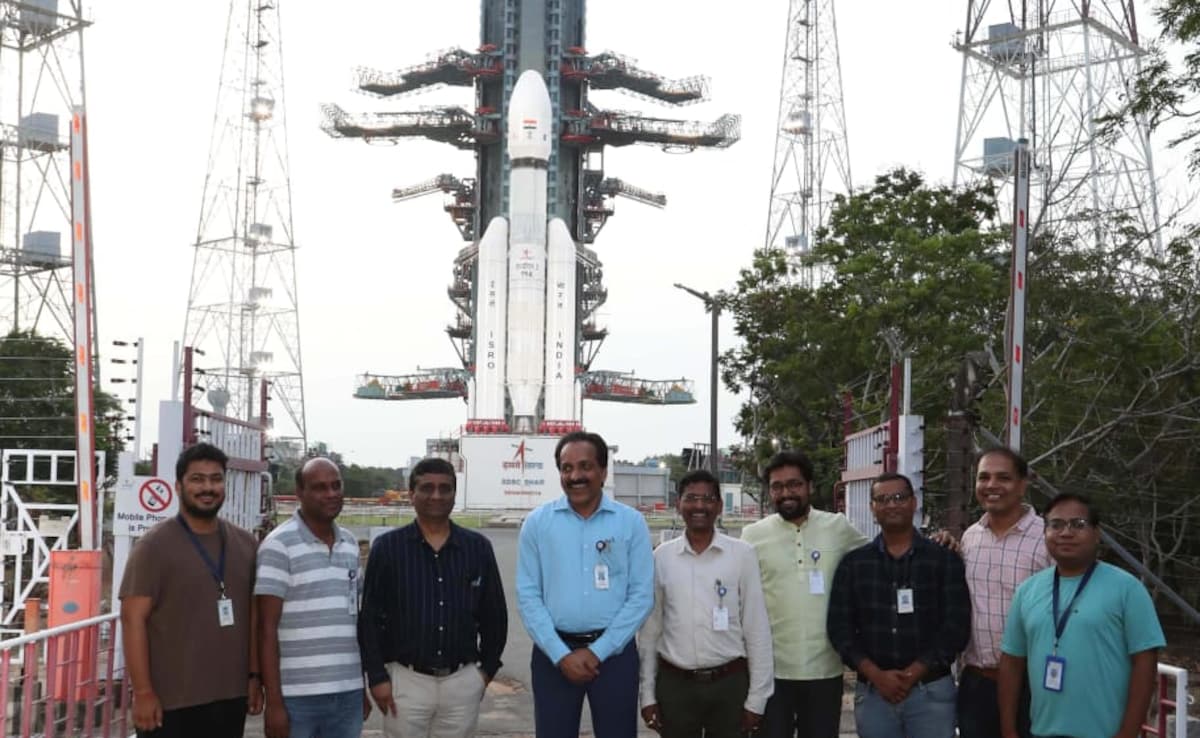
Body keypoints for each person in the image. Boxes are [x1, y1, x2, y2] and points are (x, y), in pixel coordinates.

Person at [516, 431, 655, 738]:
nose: (576, 476)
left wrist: (598, 651)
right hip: (554, 655)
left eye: (585, 466)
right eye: (567, 468)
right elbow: (528, 595)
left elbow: (642, 596)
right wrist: (560, 654)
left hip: (614, 657)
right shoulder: (538, 524)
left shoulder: (630, 523)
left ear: (603, 471)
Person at [119, 442, 262, 738]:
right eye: (197, 479)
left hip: (229, 699)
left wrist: (253, 676)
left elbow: (254, 619)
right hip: (172, 703)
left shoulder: (246, 545)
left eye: (216, 479)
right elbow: (133, 620)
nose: (207, 487)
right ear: (178, 486)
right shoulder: (153, 547)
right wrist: (142, 692)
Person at [358, 457, 507, 738]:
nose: (436, 495)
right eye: (427, 488)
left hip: (462, 682)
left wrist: (484, 673)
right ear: (412, 494)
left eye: (445, 488)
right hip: (405, 680)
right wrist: (377, 677)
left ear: (454, 493)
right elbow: (370, 620)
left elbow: (494, 616)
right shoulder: (388, 549)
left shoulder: (477, 548)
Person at [999, 493, 1165, 738]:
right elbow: (1011, 661)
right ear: (1044, 533)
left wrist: (1128, 733)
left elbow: (1145, 663)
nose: (1066, 533)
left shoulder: (1127, 589)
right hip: (1042, 732)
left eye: (1078, 524)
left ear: (1097, 533)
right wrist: (1009, 730)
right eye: (1055, 525)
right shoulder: (1027, 591)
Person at [827, 473, 971, 738]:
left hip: (931, 694)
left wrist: (914, 672)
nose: (891, 505)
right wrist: (877, 675)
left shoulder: (943, 560)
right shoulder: (854, 565)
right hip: (873, 696)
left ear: (913, 502)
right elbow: (840, 629)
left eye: (899, 497)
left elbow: (956, 626)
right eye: (882, 499)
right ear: (872, 508)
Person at [740, 450, 869, 738]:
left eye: (794, 484)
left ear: (810, 486)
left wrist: (937, 542)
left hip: (825, 671)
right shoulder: (752, 536)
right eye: (777, 486)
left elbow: (881, 553)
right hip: (770, 674)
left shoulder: (838, 527)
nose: (786, 493)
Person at [638, 469, 774, 737]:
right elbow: (650, 631)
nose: (699, 506)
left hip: (729, 685)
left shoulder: (742, 555)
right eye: (691, 498)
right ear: (678, 504)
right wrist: (648, 695)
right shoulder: (661, 557)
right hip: (676, 685)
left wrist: (757, 698)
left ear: (720, 506)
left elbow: (757, 628)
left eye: (708, 498)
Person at [255, 457, 368, 738]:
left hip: (347, 695)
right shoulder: (279, 545)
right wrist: (275, 703)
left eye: (336, 485)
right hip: (297, 699)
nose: (331, 494)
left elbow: (353, 621)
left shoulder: (350, 545)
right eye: (319, 487)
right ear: (300, 493)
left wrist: (360, 687)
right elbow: (266, 629)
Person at [957, 447, 1051, 738]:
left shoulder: (1049, 538)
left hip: (1033, 685)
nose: (992, 486)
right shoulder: (970, 538)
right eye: (983, 477)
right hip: (977, 683)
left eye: (1003, 478)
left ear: (1023, 484)